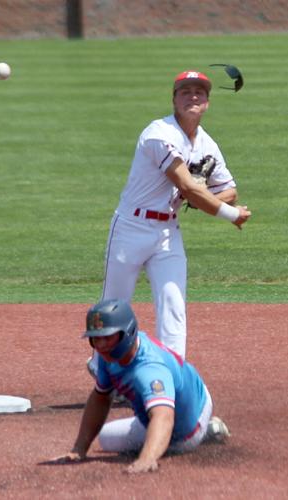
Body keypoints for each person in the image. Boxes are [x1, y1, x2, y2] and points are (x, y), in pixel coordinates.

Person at [96, 70, 251, 364]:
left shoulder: (207, 144)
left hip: (168, 233)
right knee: (113, 308)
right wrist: (227, 213)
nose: (193, 96)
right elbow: (186, 185)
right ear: (174, 99)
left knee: (173, 305)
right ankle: (103, 369)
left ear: (207, 101)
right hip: (130, 228)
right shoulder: (158, 133)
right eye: (185, 91)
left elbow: (230, 190)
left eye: (200, 92)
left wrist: (206, 199)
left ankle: (171, 374)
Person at [50, 299, 230, 474]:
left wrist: (147, 458)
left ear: (127, 333)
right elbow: (101, 397)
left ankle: (205, 431)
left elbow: (163, 416)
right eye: (95, 339)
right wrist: (78, 449)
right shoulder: (111, 354)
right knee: (106, 438)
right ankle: (203, 428)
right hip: (190, 395)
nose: (101, 345)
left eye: (107, 337)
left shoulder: (150, 369)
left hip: (187, 428)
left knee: (171, 444)